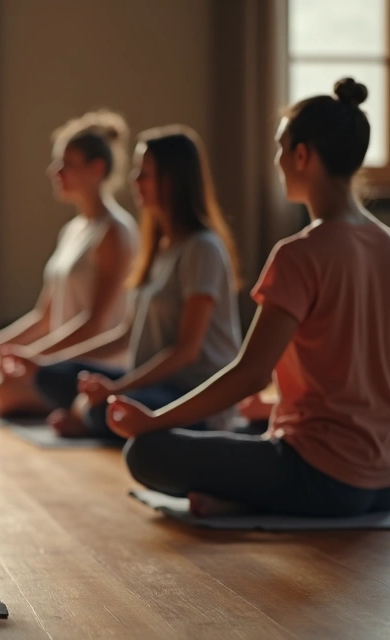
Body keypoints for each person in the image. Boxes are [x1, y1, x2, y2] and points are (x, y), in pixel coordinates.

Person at [109, 78, 390, 518]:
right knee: (244, 426)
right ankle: (242, 497)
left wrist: (153, 420)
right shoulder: (385, 244)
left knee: (145, 451)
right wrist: (275, 406)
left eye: (281, 149)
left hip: (319, 476)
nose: (277, 161)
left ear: (303, 156)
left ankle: (245, 501)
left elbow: (248, 374)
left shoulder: (300, 254)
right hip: (383, 480)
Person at [9, 125, 243, 438]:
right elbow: (126, 333)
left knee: (104, 406)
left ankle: (89, 417)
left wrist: (115, 389)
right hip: (147, 382)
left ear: (172, 180)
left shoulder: (203, 248)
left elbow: (186, 351)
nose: (134, 180)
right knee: (48, 375)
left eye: (144, 173)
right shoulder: (159, 247)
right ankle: (91, 415)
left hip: (190, 395)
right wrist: (45, 359)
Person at [0, 112, 138, 415]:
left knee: (1, 389)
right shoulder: (72, 231)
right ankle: (8, 393)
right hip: (49, 359)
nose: (54, 171)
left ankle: (23, 396)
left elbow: (95, 325)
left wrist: (35, 360)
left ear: (97, 169)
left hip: (87, 366)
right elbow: (42, 317)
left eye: (67, 164)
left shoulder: (116, 232)